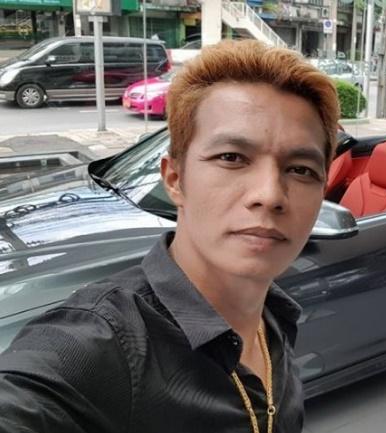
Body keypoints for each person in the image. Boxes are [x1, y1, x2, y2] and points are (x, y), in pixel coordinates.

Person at [0, 39, 340, 433]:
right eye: (231, 158)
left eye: (300, 170)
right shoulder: (103, 344)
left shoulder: (275, 319)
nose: (270, 194)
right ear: (175, 179)